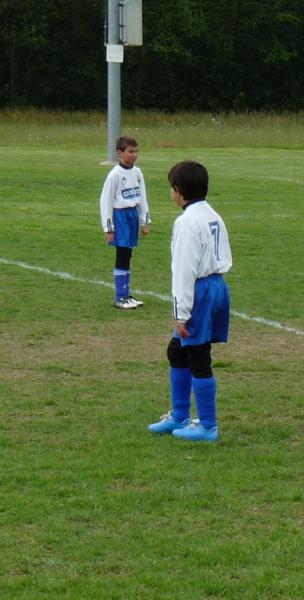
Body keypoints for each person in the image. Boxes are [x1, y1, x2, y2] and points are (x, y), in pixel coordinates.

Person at [148, 161, 232, 442]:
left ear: (177, 190)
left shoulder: (186, 223)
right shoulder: (212, 214)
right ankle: (180, 415)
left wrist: (181, 313)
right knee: (177, 351)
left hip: (200, 290)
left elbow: (184, 270)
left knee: (197, 354)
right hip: (217, 285)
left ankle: (207, 425)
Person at [99, 136, 151, 309]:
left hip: (132, 215)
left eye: (136, 151)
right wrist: (108, 228)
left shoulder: (137, 172)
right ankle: (120, 297)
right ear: (120, 153)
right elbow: (106, 201)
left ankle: (126, 295)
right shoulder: (115, 175)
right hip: (120, 216)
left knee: (128, 254)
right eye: (130, 151)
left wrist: (145, 221)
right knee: (122, 254)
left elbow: (142, 197)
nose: (134, 155)